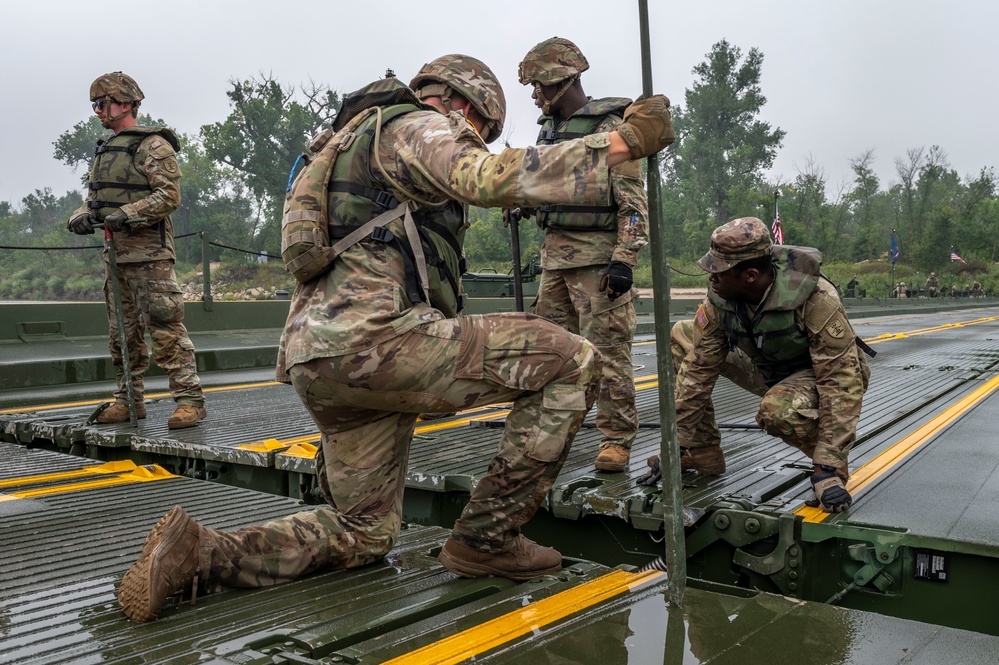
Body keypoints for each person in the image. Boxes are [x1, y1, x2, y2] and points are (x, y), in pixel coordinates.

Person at [117, 55, 675, 622]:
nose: (474, 140)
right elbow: (486, 177)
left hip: (321, 361)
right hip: (381, 343)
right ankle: (486, 539)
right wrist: (624, 142)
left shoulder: (346, 145)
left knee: (362, 532)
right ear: (463, 104)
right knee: (572, 359)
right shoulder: (418, 124)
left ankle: (198, 556)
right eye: (480, 130)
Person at [637, 217, 871, 513]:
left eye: (718, 273)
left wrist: (828, 466)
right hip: (766, 367)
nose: (711, 278)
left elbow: (841, 383)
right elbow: (698, 371)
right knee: (684, 335)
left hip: (816, 376)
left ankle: (831, 468)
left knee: (777, 411)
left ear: (749, 275)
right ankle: (701, 449)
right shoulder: (720, 301)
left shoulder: (815, 300)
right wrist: (675, 445)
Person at [513, 37, 648, 473]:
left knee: (608, 355)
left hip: (597, 264)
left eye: (537, 84)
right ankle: (552, 434)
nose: (534, 94)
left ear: (558, 80)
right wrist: (521, 203)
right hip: (555, 262)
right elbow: (546, 191)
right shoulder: (548, 133)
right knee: (551, 354)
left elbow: (633, 201)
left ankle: (616, 439)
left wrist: (624, 259)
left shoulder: (609, 131)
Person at [66, 72, 206, 430]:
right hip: (116, 260)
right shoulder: (105, 150)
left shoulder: (153, 145)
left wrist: (127, 215)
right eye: (94, 104)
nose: (98, 110)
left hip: (151, 260)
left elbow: (168, 196)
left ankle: (190, 401)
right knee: (122, 337)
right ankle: (128, 400)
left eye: (103, 103)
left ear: (126, 103)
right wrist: (82, 215)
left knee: (165, 330)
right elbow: (95, 199)